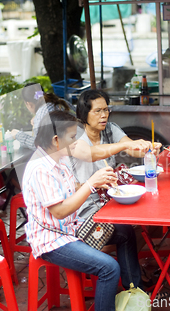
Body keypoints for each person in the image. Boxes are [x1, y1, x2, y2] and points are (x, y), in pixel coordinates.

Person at [23, 110, 137, 311]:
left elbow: (71, 187)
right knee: (109, 268)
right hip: (52, 240)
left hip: (71, 228)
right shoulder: (40, 168)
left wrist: (99, 183)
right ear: (56, 139)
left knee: (125, 231)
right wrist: (91, 184)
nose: (77, 141)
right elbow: (59, 211)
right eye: (73, 137)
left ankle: (135, 294)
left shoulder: (60, 156)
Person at [71, 89, 161, 219]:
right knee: (126, 225)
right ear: (84, 114)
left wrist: (148, 149)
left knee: (146, 208)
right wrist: (125, 145)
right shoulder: (74, 135)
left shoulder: (109, 129)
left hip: (111, 196)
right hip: (86, 203)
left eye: (106, 110)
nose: (104, 115)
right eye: (98, 111)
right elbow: (89, 154)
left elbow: (132, 148)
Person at [10, 83, 74, 150]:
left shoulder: (42, 113)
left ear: (28, 104)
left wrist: (18, 135)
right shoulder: (60, 102)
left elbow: (40, 146)